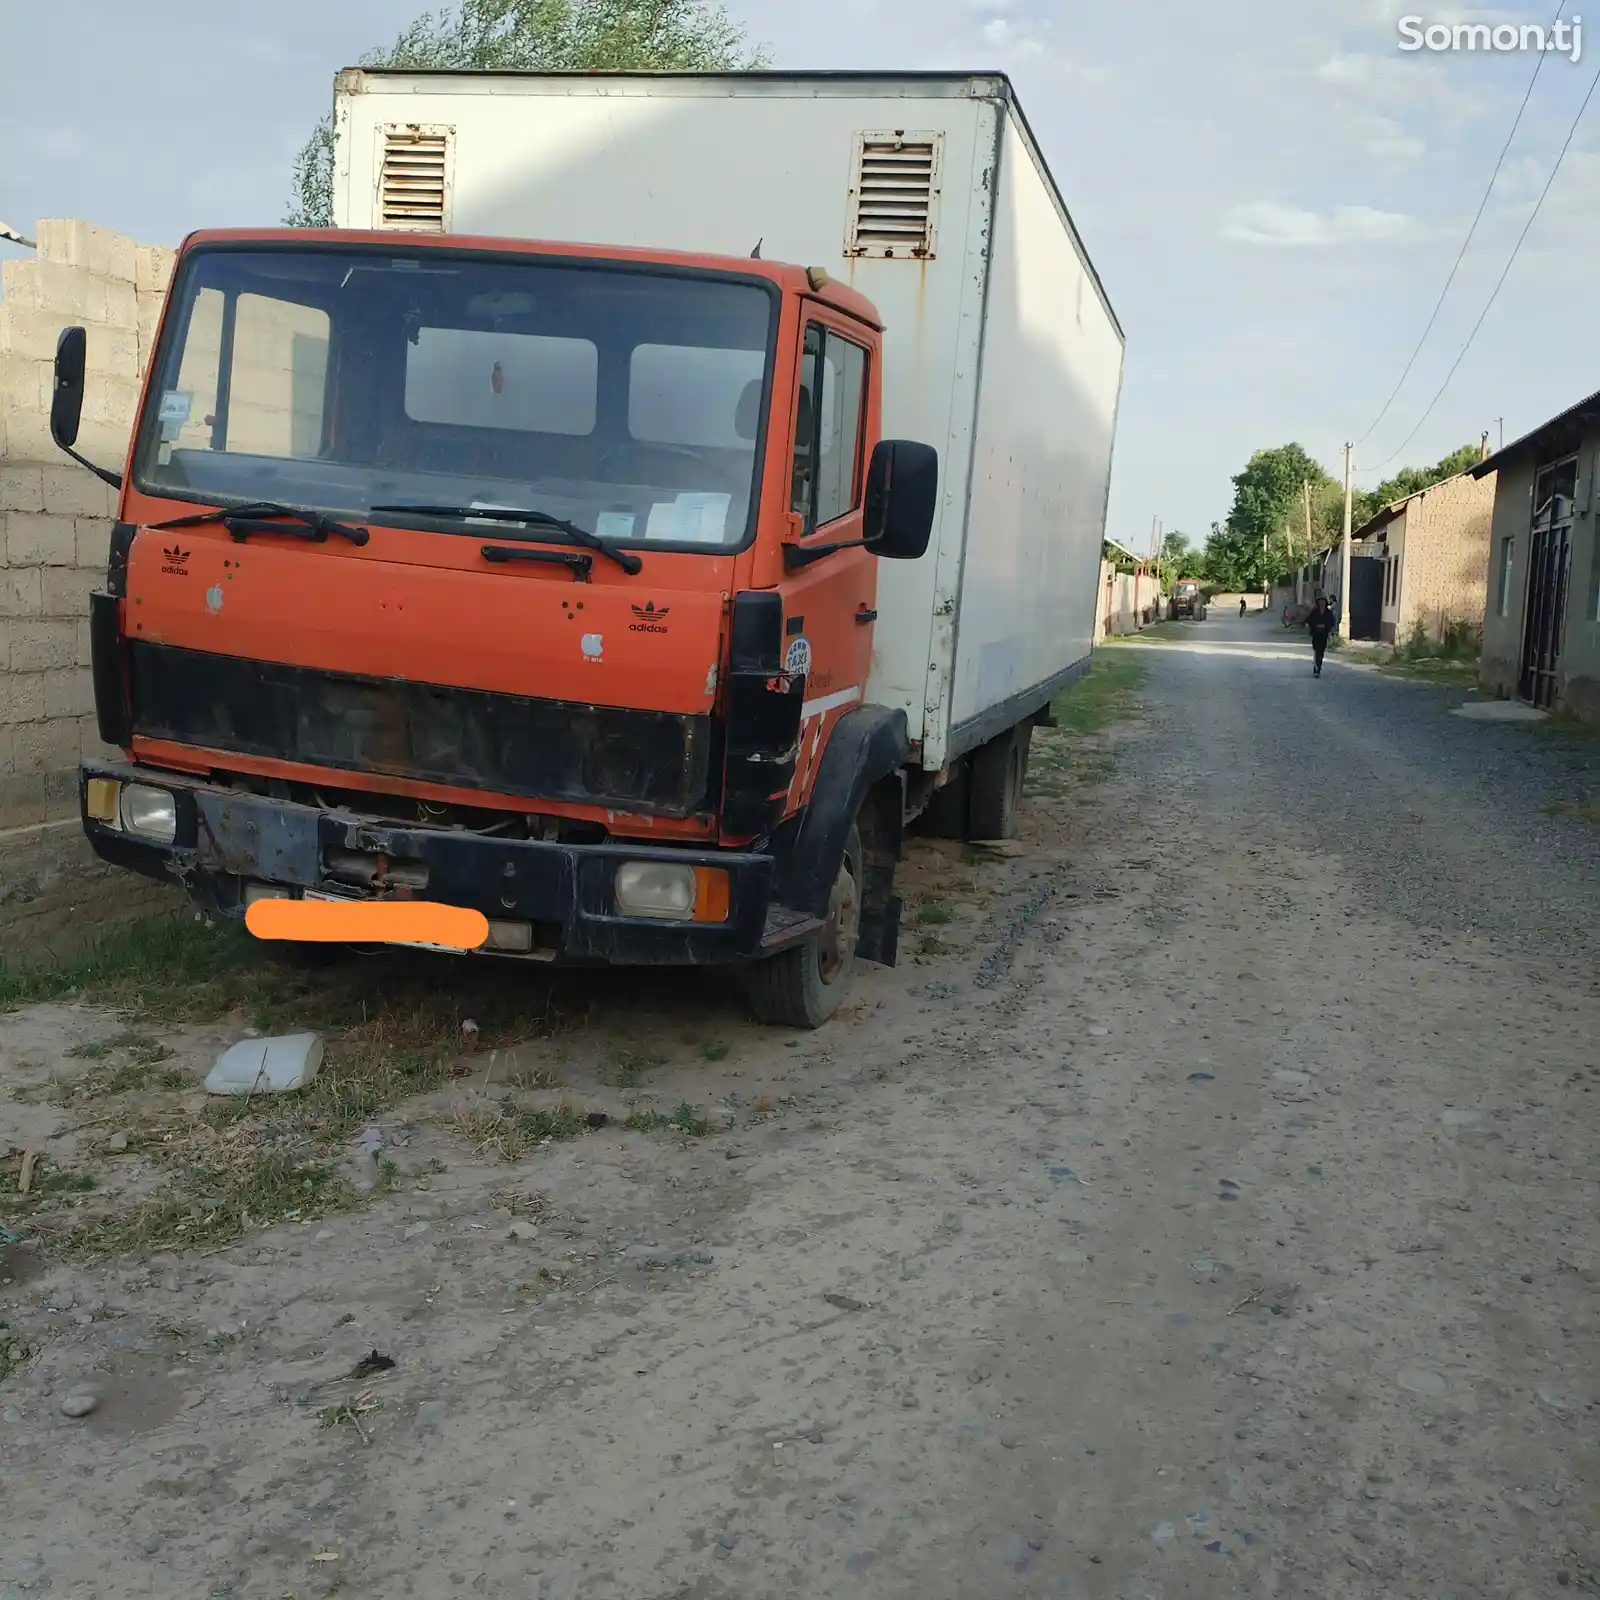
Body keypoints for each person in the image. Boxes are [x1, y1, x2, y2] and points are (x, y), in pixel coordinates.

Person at [1304, 595, 1334, 677]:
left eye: (1323, 602)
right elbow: (1308, 620)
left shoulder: (1328, 612)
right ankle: (1316, 669)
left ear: (1325, 602)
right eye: (1320, 602)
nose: (1321, 603)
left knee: (1321, 652)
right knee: (1317, 650)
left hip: (1324, 635)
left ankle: (1318, 666)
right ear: (1318, 603)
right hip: (1316, 634)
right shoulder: (1315, 612)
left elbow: (1332, 622)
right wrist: (1308, 626)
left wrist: (1330, 631)